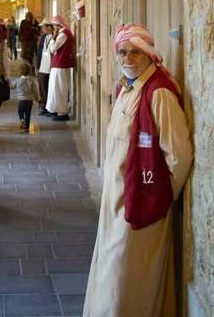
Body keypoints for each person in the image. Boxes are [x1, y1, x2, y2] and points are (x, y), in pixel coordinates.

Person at [83, 24, 193, 317]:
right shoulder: (126, 87)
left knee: (128, 274)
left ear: (148, 55)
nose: (128, 58)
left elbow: (179, 155)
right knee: (111, 266)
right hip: (116, 200)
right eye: (122, 52)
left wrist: (158, 196)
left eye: (135, 52)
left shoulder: (158, 93)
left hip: (142, 201)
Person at [46, 15, 75, 121]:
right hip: (58, 65)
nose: (53, 27)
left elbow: (53, 48)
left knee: (59, 89)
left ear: (57, 25)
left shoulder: (63, 34)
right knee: (55, 88)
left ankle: (62, 112)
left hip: (60, 65)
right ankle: (56, 110)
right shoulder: (63, 33)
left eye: (54, 25)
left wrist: (53, 38)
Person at [11, 62, 39, 133]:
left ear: (20, 72)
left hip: (21, 100)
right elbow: (35, 90)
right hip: (29, 100)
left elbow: (11, 86)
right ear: (29, 71)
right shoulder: (31, 80)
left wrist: (7, 81)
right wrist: (37, 98)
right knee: (28, 113)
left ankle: (21, 119)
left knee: (20, 111)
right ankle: (27, 126)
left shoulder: (18, 80)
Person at [35, 18, 54, 115]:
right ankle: (43, 106)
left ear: (49, 27)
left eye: (43, 27)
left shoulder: (55, 37)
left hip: (51, 67)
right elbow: (40, 51)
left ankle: (50, 106)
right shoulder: (43, 38)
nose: (42, 29)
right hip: (43, 66)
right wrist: (37, 66)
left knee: (50, 88)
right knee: (42, 87)